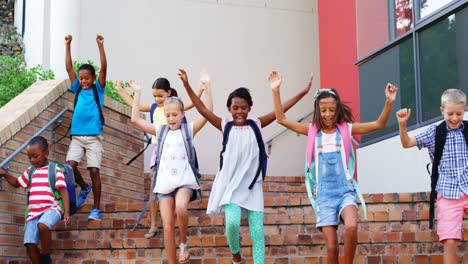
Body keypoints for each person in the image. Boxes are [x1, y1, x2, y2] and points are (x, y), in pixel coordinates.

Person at [180, 68, 312, 264]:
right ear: (229, 109)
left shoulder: (256, 125)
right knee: (231, 224)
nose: (239, 111)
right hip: (232, 186)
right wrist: (187, 84)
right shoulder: (225, 125)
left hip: (253, 187)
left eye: (243, 107)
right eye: (235, 108)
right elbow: (202, 108)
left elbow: (280, 110)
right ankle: (236, 255)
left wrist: (302, 92)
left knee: (257, 233)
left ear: (250, 107)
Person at [270, 71, 397, 264]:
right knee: (331, 248)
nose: (328, 114)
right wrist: (276, 90)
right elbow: (281, 119)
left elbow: (379, 124)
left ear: (337, 110)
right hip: (324, 195)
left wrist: (389, 102)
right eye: (323, 110)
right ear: (317, 111)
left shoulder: (346, 129)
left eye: (332, 110)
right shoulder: (311, 130)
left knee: (352, 226)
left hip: (345, 190)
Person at [129, 70, 212, 264]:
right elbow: (135, 119)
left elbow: (207, 113)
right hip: (164, 184)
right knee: (167, 226)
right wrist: (137, 93)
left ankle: (183, 242)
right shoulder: (161, 130)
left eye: (175, 114)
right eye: (168, 115)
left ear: (182, 114)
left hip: (184, 181)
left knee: (181, 208)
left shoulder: (188, 129)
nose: (172, 118)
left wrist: (208, 88)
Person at [115, 78, 206, 239]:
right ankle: (154, 224)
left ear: (168, 93)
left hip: (177, 150)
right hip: (159, 150)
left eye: (160, 96)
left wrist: (200, 90)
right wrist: (121, 91)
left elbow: (192, 104)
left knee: (178, 192)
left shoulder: (175, 107)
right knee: (153, 187)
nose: (157, 99)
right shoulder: (153, 108)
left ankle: (176, 223)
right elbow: (133, 107)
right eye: (155, 96)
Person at [396, 89, 467, 264]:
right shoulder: (434, 133)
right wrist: (402, 125)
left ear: (464, 110)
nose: (455, 118)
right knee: (450, 242)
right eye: (450, 113)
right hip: (447, 193)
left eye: (459, 113)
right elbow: (407, 143)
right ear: (442, 110)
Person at [0, 136, 70, 264]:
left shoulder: (55, 170)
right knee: (30, 244)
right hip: (33, 214)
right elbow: (17, 183)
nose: (32, 160)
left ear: (46, 153)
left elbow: (63, 191)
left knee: (43, 225)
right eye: (29, 157)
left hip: (52, 208)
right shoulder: (30, 171)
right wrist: (4, 174)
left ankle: (45, 254)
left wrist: (66, 211)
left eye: (35, 156)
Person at [64, 34, 107, 220]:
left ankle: (96, 209)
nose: (83, 81)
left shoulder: (98, 89)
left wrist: (100, 46)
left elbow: (104, 67)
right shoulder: (78, 88)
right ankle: (84, 187)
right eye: (81, 79)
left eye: (87, 78)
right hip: (76, 136)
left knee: (94, 171)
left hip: (94, 137)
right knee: (69, 166)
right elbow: (68, 67)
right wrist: (68, 45)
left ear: (93, 78)